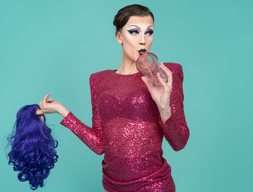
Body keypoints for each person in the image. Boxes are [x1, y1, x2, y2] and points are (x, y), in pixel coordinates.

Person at [37, 4, 189, 192]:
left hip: (154, 185)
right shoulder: (98, 80)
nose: (143, 41)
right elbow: (100, 144)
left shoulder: (165, 74)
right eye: (134, 32)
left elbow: (179, 142)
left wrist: (165, 108)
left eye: (149, 32)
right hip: (112, 186)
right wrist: (62, 110)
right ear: (119, 37)